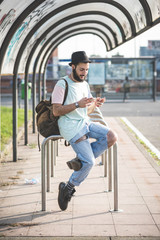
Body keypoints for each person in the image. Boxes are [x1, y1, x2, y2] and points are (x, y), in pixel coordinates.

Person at [52, 51, 117, 211]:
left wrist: (96, 104)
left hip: (85, 122)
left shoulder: (85, 85)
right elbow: (56, 111)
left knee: (111, 136)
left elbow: (85, 111)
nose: (84, 73)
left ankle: (81, 160)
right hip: (71, 127)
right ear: (73, 67)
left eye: (86, 70)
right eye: (81, 69)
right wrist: (76, 104)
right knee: (90, 162)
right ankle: (68, 187)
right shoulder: (62, 84)